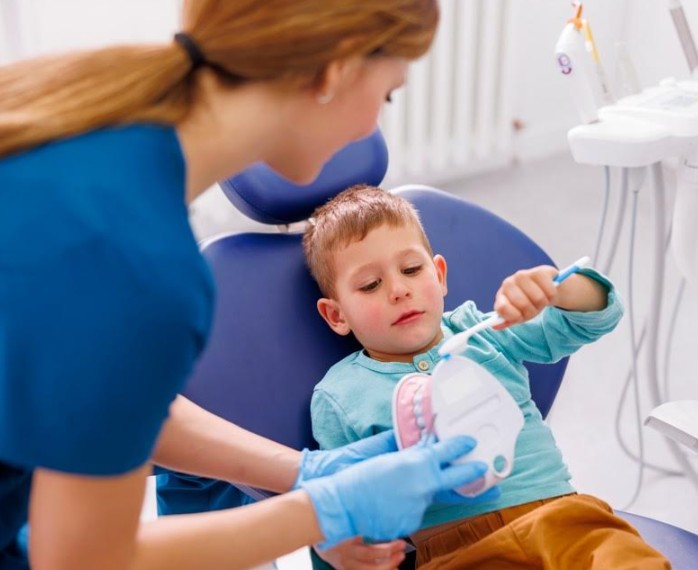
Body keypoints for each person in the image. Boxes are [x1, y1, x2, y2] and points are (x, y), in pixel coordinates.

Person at [0, 1, 495, 568]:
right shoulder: (143, 266)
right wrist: (322, 511)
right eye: (387, 96)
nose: (371, 129)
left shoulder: (82, 132)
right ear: (334, 72)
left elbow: (102, 392)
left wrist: (304, 471)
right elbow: (82, 560)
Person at [303, 185, 671, 569]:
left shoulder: (487, 331)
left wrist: (559, 290)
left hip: (566, 521)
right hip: (459, 553)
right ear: (337, 315)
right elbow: (341, 510)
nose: (399, 290)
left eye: (411, 269)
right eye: (370, 285)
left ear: (439, 275)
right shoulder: (339, 396)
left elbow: (596, 318)